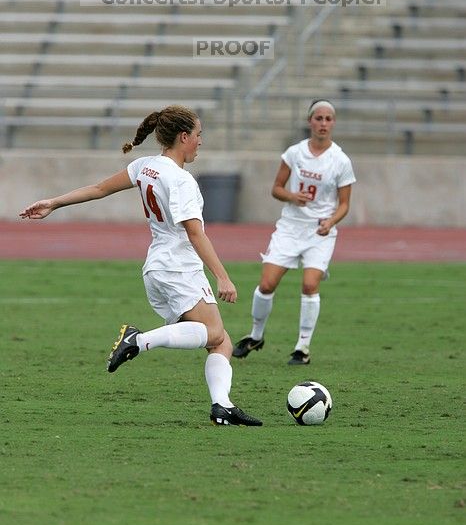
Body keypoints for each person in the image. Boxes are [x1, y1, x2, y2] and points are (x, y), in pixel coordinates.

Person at [19, 104, 262, 427]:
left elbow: (99, 189)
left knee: (220, 342)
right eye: (199, 135)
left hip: (156, 267)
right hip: (179, 268)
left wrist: (54, 202)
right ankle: (138, 340)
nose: (201, 142)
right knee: (214, 333)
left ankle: (222, 406)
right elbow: (194, 233)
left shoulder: (146, 166)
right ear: (183, 137)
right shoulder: (182, 181)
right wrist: (223, 277)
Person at [233, 99, 356, 366]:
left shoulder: (341, 160)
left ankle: (302, 348)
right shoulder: (294, 153)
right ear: (309, 121)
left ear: (333, 123)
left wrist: (331, 221)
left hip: (320, 232)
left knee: (310, 285)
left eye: (328, 119)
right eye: (318, 118)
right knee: (266, 284)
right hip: (290, 227)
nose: (323, 123)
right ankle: (255, 336)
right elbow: (276, 188)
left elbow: (344, 203)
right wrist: (292, 196)